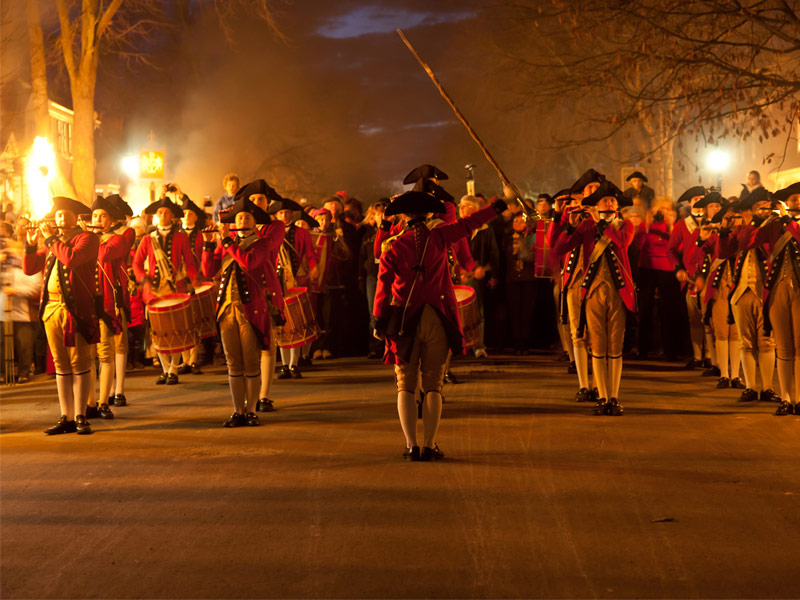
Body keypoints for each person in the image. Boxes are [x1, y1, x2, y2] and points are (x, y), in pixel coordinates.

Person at [373, 188, 508, 461]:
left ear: (404, 216)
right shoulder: (441, 236)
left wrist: (378, 318)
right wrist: (496, 207)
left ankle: (411, 446)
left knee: (405, 385)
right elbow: (470, 223)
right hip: (437, 316)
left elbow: (382, 285)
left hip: (405, 320)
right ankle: (430, 444)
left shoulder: (393, 244)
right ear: (429, 214)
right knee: (433, 384)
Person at [554, 180, 635, 415]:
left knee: (615, 346)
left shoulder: (625, 224)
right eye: (604, 200)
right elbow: (561, 248)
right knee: (598, 346)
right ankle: (601, 396)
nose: (609, 203)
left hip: (618, 293)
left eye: (612, 200)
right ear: (597, 204)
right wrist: (568, 226)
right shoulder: (586, 226)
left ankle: (614, 396)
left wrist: (599, 221)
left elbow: (622, 242)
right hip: (592, 292)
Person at [202, 196, 282, 427]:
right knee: (232, 362)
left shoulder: (261, 242)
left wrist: (226, 241)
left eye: (247, 217)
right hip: (226, 308)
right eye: (239, 217)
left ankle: (251, 410)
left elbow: (250, 263)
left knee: (251, 361)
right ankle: (237, 410)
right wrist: (209, 244)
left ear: (254, 221)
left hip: (252, 310)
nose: (243, 220)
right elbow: (209, 270)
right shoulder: (226, 242)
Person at [24, 196, 99, 435]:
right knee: (60, 363)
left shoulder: (87, 238)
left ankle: (80, 415)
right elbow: (29, 268)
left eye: (64, 214)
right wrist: (31, 244)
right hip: (51, 308)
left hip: (74, 310)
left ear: (75, 217)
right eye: (57, 215)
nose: (60, 218)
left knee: (79, 361)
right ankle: (65, 415)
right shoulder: (52, 242)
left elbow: (72, 258)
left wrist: (51, 239)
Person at [717, 187, 779, 403]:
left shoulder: (774, 226)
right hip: (742, 291)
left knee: (766, 341)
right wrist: (724, 231)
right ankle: (752, 386)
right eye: (759, 207)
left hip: (766, 291)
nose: (764, 210)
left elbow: (752, 242)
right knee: (746, 342)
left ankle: (768, 387)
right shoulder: (743, 228)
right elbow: (723, 253)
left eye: (766, 207)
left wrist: (755, 223)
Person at [548, 168, 605, 402]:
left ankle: (602, 386)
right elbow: (553, 244)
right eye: (588, 189)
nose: (592, 192)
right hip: (575, 277)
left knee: (599, 334)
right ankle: (584, 384)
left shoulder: (607, 212)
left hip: (600, 278)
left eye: (596, 188)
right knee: (577, 332)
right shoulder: (571, 213)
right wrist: (558, 216)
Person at [132, 193, 199, 385]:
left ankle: (173, 370)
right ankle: (165, 368)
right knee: (157, 332)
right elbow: (136, 263)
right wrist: (144, 280)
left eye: (166, 213)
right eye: (159, 212)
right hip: (153, 291)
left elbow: (190, 263)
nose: (162, 215)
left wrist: (194, 281)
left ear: (172, 216)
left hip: (175, 288)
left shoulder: (181, 238)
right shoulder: (147, 240)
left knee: (176, 331)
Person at [234, 179, 285, 412]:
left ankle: (264, 394)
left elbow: (265, 248)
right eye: (252, 200)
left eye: (260, 200)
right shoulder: (238, 227)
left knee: (267, 343)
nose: (255, 203)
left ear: (268, 202)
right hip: (242, 290)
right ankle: (248, 395)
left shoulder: (274, 227)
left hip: (265, 287)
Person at [754, 182, 800, 415]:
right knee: (783, 345)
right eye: (792, 199)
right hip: (778, 288)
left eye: (799, 198)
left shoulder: (791, 225)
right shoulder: (777, 225)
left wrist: (788, 222)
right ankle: (786, 397)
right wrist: (766, 219)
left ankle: (799, 398)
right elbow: (752, 242)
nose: (797, 202)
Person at [85, 195, 133, 421]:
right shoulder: (84, 239)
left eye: (102, 216)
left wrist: (88, 237)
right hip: (85, 305)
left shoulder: (118, 240)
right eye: (95, 216)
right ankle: (89, 403)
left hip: (105, 304)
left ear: (110, 220)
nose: (98, 219)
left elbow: (103, 255)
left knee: (105, 354)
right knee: (86, 357)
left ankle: (104, 401)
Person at [697, 197, 744, 390]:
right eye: (728, 216)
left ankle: (735, 375)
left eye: (735, 216)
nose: (732, 219)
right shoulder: (717, 236)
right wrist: (701, 239)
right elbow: (700, 253)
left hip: (739, 286)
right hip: (720, 287)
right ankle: (724, 373)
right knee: (722, 333)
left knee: (736, 334)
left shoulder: (746, 234)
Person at [269, 197, 319, 377]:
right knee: (282, 324)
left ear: (291, 214)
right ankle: (284, 365)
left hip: (298, 279)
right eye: (281, 213)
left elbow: (310, 253)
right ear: (276, 214)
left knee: (297, 321)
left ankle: (294, 364)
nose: (284, 215)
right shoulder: (270, 232)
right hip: (277, 281)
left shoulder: (302, 232)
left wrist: (314, 268)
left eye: (287, 213)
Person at [668, 185, 714, 370]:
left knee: (709, 319)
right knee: (694, 319)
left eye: (702, 199)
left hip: (711, 275)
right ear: (690, 203)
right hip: (691, 278)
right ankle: (697, 355)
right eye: (696, 199)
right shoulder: (682, 224)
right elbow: (670, 249)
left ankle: (711, 355)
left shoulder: (712, 222)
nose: (700, 202)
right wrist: (678, 268)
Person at [634, 199, 683, 360]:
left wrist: (670, 226)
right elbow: (639, 245)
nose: (660, 214)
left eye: (663, 210)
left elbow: (678, 248)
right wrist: (647, 225)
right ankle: (642, 349)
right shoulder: (644, 226)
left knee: (668, 310)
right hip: (647, 267)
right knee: (645, 308)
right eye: (656, 211)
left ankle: (670, 350)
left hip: (667, 269)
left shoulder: (674, 226)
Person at [0, 217, 42, 383]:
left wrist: (16, 291)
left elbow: (35, 286)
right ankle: (2, 373)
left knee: (24, 344)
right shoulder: (5, 266)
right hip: (3, 311)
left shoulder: (28, 267)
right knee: (2, 344)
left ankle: (24, 372)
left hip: (24, 313)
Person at [459, 195, 499, 357]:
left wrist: (490, 273)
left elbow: (493, 254)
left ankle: (478, 345)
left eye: (466, 205)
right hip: (458, 276)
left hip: (476, 276)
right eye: (460, 205)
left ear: (475, 209)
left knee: (476, 312)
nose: (461, 208)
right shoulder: (455, 227)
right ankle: (459, 346)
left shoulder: (485, 229)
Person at [178, 195, 208, 374]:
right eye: (185, 214)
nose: (187, 217)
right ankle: (185, 360)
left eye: (190, 214)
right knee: (182, 321)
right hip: (181, 281)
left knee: (195, 320)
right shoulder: (176, 235)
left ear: (196, 217)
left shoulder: (202, 234)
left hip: (198, 279)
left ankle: (194, 359)